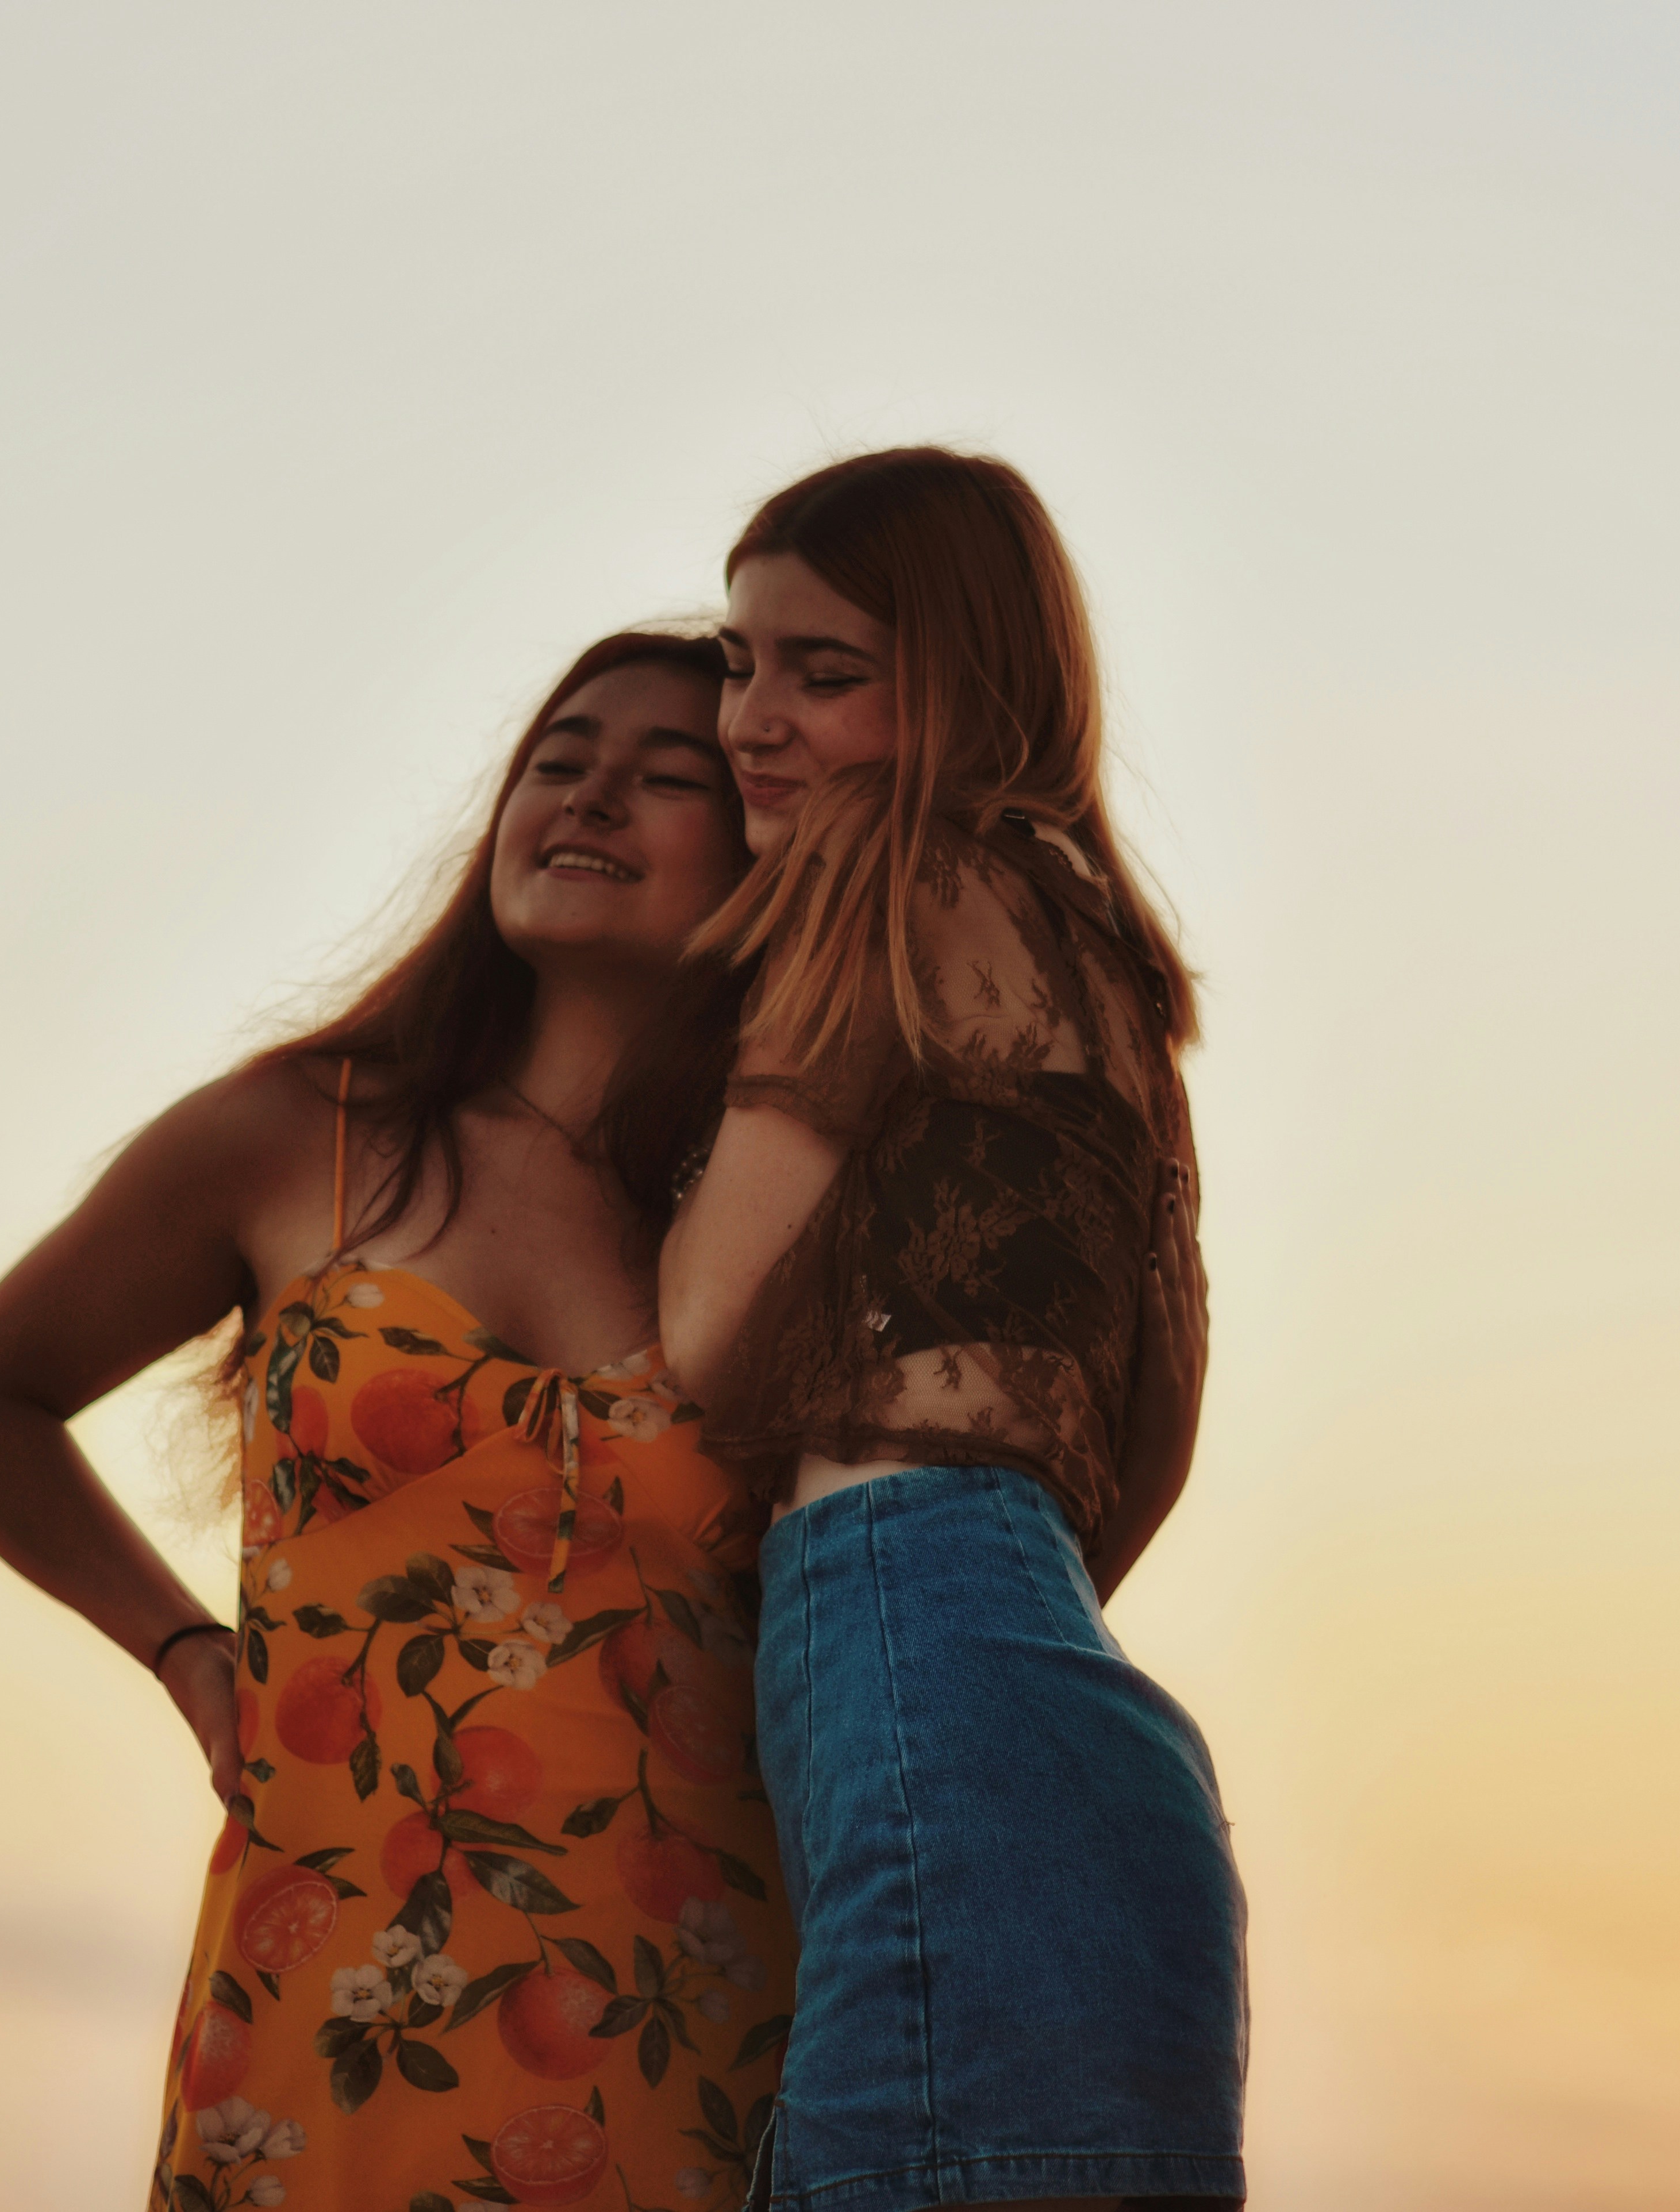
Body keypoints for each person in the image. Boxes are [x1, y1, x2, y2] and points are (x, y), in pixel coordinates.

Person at [0, 632, 797, 2212]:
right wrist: (192, 1660)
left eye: (670, 775)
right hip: (334, 2008)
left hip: (698, 2024)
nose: (592, 790)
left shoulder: (777, 1207)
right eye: (559, 754)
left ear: (760, 854)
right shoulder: (300, 1136)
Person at [659, 449, 1241, 2212]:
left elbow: (698, 1325)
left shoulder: (882, 872)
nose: (752, 722)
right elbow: (1156, 1437)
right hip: (1057, 1681)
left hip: (907, 1621)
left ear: (974, 690)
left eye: (825, 674)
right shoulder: (1111, 974)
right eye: (737, 662)